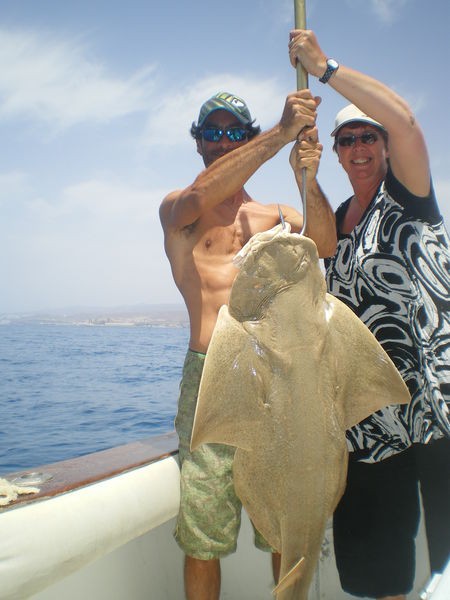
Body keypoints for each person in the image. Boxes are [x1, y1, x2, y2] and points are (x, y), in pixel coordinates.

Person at [289, 29, 450, 600]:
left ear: (384, 147)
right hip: (368, 416)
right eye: (347, 140)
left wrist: (323, 67)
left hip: (433, 408)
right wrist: (304, 176)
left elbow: (406, 121)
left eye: (368, 137)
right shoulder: (339, 217)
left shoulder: (408, 194)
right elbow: (320, 247)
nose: (359, 148)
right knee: (379, 572)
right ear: (336, 151)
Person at [159, 90, 336, 599]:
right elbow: (199, 196)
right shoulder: (180, 211)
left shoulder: (274, 215)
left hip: (273, 380)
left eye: (234, 132)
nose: (223, 142)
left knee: (280, 525)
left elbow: (324, 242)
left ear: (246, 137)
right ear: (198, 143)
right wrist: (280, 134)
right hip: (208, 374)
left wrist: (308, 178)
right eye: (212, 133)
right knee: (203, 537)